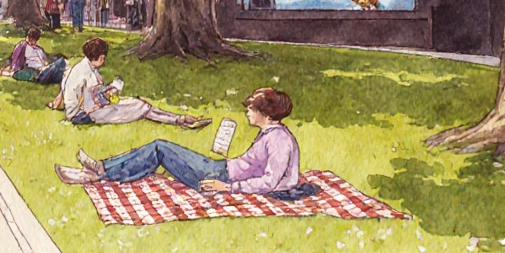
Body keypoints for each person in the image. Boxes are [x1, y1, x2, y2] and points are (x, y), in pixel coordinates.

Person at [55, 88, 317, 202]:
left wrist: (227, 188)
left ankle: (98, 172)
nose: (247, 113)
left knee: (159, 148)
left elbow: (270, 181)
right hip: (221, 169)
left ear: (265, 113)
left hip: (220, 176)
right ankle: (101, 170)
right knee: (159, 148)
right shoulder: (273, 134)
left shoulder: (279, 139)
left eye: (251, 109)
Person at [55, 37, 210, 128]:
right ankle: (180, 120)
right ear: (101, 57)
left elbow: (90, 95)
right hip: (82, 115)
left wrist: (108, 91)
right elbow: (92, 104)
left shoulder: (83, 67)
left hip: (83, 110)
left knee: (136, 103)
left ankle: (180, 119)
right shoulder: (87, 74)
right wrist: (110, 94)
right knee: (140, 107)